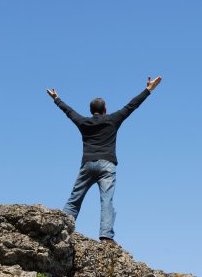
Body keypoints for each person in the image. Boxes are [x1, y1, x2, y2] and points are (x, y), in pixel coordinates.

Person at [46, 76, 162, 244]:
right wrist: (148, 90)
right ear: (105, 109)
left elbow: (69, 112)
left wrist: (56, 99)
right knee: (106, 200)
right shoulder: (112, 120)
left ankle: (61, 230)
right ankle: (106, 236)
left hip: (87, 164)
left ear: (91, 110)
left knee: (74, 199)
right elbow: (131, 106)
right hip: (107, 165)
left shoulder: (84, 122)